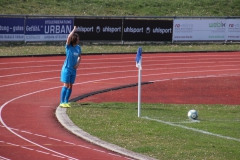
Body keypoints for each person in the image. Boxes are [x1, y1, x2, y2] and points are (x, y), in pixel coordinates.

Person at [59, 26, 81, 108]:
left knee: (71, 85)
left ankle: (66, 101)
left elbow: (79, 56)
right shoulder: (68, 47)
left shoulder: (78, 48)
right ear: (74, 39)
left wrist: (78, 63)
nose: (79, 40)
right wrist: (74, 30)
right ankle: (62, 102)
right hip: (67, 69)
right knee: (66, 85)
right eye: (78, 39)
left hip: (73, 70)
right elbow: (68, 37)